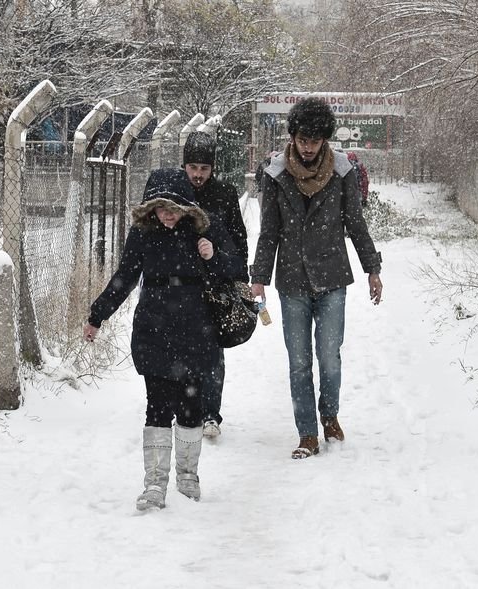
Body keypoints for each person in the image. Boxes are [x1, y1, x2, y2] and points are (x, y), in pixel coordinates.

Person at [84, 168, 246, 510]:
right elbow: (125, 277)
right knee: (156, 404)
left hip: (196, 327)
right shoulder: (142, 234)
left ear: (186, 205)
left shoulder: (204, 229)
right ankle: (154, 483)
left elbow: (232, 271)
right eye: (160, 207)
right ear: (150, 209)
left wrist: (212, 256)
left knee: (191, 405)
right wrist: (97, 315)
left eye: (173, 206)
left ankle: (188, 477)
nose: (168, 213)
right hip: (154, 327)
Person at [250, 97, 383, 459]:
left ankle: (329, 414)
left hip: (331, 277)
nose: (308, 147)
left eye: (315, 140)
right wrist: (258, 277)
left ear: (325, 139)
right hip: (292, 281)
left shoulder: (342, 172)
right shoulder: (276, 174)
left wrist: (373, 268)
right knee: (298, 360)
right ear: (292, 137)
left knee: (329, 355)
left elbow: (355, 223)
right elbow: (269, 232)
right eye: (302, 140)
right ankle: (307, 432)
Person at [182, 131, 249, 439]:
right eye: (193, 167)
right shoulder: (175, 191)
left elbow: (239, 239)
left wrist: (241, 282)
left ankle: (211, 414)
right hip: (180, 282)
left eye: (204, 168)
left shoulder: (224, 193)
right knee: (181, 349)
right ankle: (186, 408)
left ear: (213, 168)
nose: (197, 174)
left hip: (215, 283)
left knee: (211, 352)